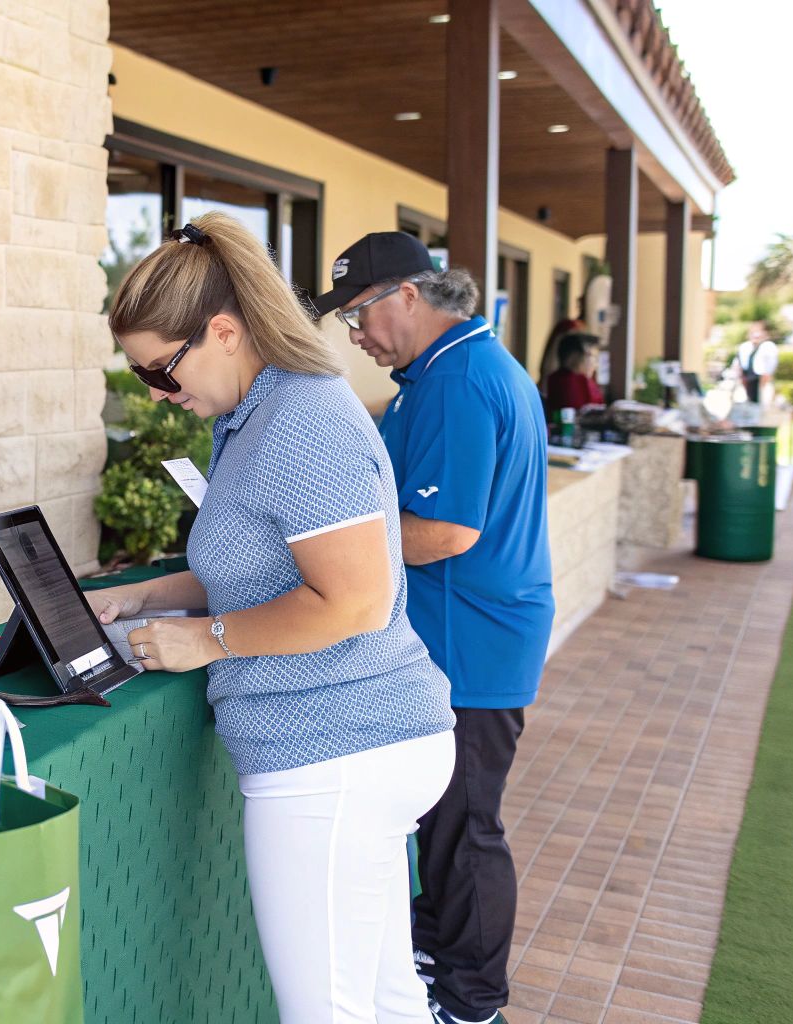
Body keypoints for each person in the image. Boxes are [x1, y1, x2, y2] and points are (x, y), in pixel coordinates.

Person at [86, 213, 456, 1024]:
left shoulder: (301, 420)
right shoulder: (253, 414)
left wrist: (205, 639)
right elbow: (263, 565)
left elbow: (352, 600)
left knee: (326, 1012)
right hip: (357, 742)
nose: (160, 392)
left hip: (335, 748)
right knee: (388, 999)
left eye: (161, 371)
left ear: (223, 330)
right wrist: (143, 597)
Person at [314, 230, 554, 1024]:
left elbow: (446, 530)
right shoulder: (443, 372)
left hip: (472, 640)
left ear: (408, 298)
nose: (354, 335)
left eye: (357, 315)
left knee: (463, 831)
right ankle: (434, 959)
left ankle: (473, 1001)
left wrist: (327, 553)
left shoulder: (457, 379)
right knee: (444, 824)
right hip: (471, 634)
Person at [541, 332, 605, 417]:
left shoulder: (555, 378)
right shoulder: (573, 382)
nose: (596, 364)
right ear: (575, 356)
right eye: (593, 357)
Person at [734, 321, 778, 404]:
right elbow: (738, 362)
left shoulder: (768, 346)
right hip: (746, 377)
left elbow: (771, 364)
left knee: (761, 401)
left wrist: (766, 377)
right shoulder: (745, 347)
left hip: (760, 378)